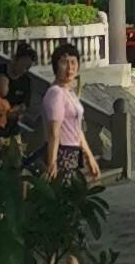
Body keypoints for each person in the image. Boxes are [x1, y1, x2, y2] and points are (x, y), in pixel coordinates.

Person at [39, 42, 101, 189]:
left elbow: (77, 129)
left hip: (73, 152)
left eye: (73, 62)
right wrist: (52, 162)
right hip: (61, 152)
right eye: (64, 63)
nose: (70, 68)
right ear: (56, 66)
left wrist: (89, 156)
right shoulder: (56, 93)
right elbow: (54, 131)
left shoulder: (70, 93)